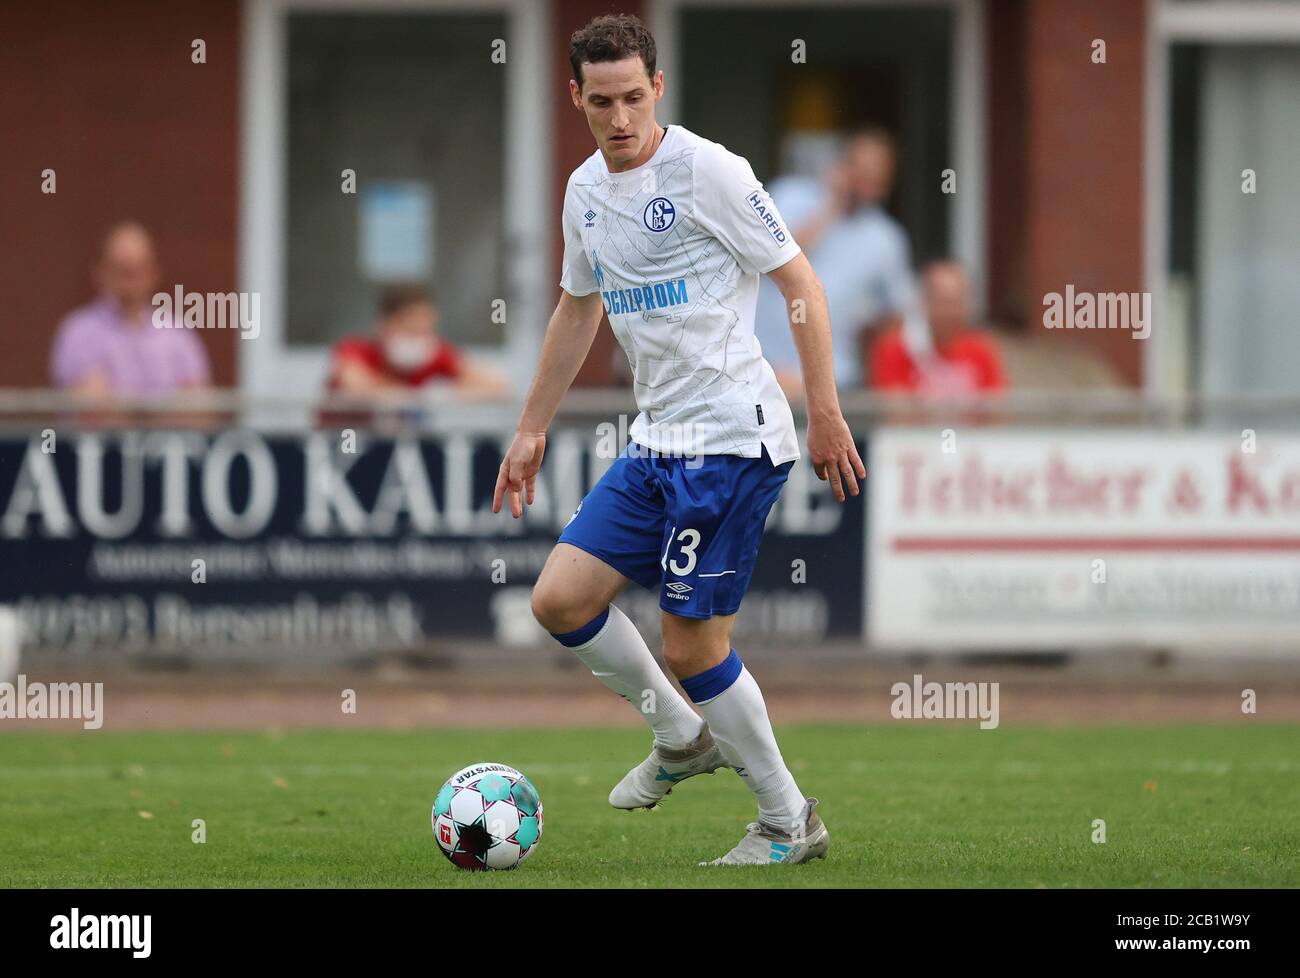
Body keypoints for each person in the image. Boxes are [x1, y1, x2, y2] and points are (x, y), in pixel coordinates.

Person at [492, 14, 864, 866]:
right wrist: (531, 427)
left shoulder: (709, 171)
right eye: (601, 102)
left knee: (693, 643)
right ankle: (682, 737)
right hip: (657, 441)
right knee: (560, 599)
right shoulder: (585, 191)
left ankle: (786, 818)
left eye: (633, 98)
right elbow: (577, 308)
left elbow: (798, 280)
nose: (619, 119)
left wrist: (827, 412)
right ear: (576, 98)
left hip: (733, 437)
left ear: (657, 89)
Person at [754, 127, 928, 394]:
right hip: (764, 371)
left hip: (837, 382)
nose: (863, 183)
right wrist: (832, 205)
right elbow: (770, 258)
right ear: (841, 164)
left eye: (874, 177)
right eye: (858, 170)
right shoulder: (789, 196)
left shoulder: (886, 238)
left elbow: (897, 313)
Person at [50, 222, 211, 396]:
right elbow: (91, 411)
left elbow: (198, 409)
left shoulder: (178, 333)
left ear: (154, 273)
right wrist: (164, 408)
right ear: (100, 272)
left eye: (137, 270)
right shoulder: (78, 331)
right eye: (121, 270)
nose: (129, 281)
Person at [328, 284, 505, 396]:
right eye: (411, 330)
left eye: (425, 332)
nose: (419, 340)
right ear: (383, 325)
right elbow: (355, 385)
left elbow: (495, 385)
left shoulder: (435, 355)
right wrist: (414, 398)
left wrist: (441, 396)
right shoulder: (355, 350)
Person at [871, 260, 1006, 395]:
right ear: (924, 300)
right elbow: (895, 409)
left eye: (957, 302)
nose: (950, 311)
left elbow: (996, 407)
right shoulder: (895, 348)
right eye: (943, 301)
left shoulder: (980, 349)